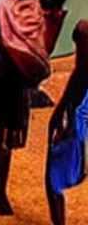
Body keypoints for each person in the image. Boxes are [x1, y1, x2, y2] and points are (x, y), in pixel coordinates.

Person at [0, 0, 70, 216]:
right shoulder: (39, 13)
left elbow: (41, 50)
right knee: (0, 141)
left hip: (10, 80)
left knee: (2, 143)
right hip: (6, 77)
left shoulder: (49, 17)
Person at [46, 20, 88, 225]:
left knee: (52, 181)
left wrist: (62, 120)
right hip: (78, 122)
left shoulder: (83, 69)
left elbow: (73, 98)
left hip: (77, 123)